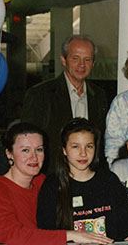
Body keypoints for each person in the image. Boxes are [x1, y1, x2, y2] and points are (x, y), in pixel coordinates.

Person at [0, 122, 111, 245]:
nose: (34, 157)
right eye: (25, 150)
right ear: (9, 154)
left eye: (39, 149)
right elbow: (12, 236)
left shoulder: (45, 182)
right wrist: (69, 235)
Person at [22, 35, 110, 171]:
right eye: (75, 58)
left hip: (90, 176)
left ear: (93, 63)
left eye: (87, 59)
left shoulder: (99, 95)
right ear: (63, 60)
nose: (82, 65)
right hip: (52, 176)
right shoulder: (40, 94)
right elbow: (28, 141)